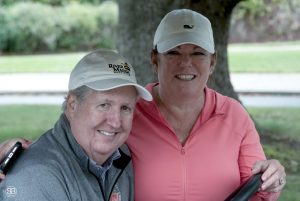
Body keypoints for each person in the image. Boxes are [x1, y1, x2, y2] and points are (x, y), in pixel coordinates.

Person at [0, 9, 286, 201]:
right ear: (154, 59)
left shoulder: (234, 115)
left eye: (197, 53)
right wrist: (23, 156)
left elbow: (258, 190)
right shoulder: (131, 112)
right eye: (173, 51)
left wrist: (273, 177)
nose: (186, 62)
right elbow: (72, 142)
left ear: (212, 62)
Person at [0, 49, 152, 201]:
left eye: (125, 108)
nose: (116, 122)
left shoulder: (122, 157)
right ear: (73, 104)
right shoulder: (35, 176)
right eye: (104, 105)